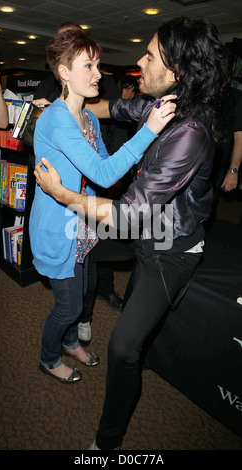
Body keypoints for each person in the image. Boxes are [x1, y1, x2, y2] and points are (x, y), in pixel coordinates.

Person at [33, 16, 229, 447]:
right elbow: (119, 109)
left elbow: (125, 208)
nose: (138, 62)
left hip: (169, 246)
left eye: (150, 55)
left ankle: (106, 444)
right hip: (137, 233)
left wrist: (63, 193)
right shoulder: (165, 104)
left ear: (176, 70)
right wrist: (76, 107)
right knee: (87, 301)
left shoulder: (188, 131)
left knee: (123, 344)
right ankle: (65, 346)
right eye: (88, 66)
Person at [29, 27, 176, 385]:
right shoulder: (57, 118)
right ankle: (49, 357)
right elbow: (104, 172)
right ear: (64, 72)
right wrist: (150, 130)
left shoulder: (89, 119)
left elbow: (107, 166)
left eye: (97, 64)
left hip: (81, 225)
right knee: (69, 306)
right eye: (88, 65)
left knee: (81, 294)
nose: (98, 74)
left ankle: (68, 342)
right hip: (57, 229)